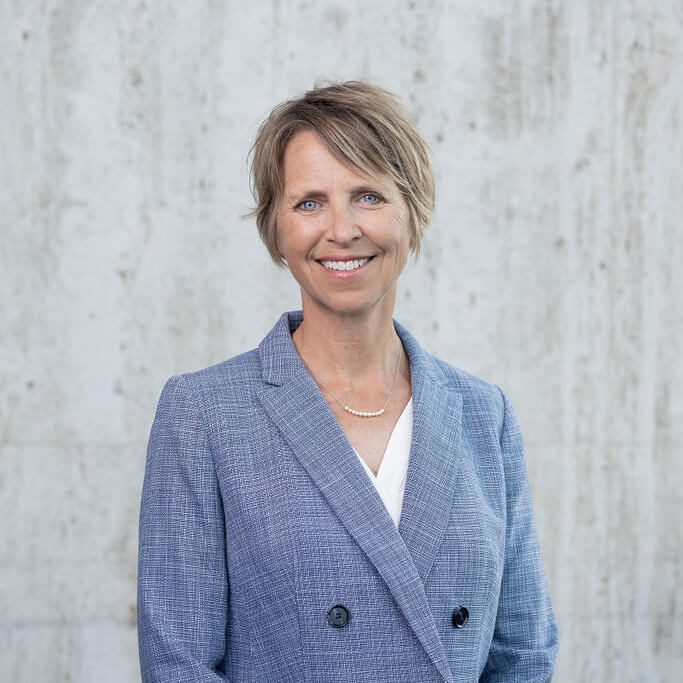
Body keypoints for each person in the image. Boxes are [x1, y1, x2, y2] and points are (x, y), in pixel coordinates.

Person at [137, 81, 558, 682]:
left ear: (411, 215)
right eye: (310, 203)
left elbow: (524, 650)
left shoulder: (482, 414)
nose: (341, 229)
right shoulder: (204, 414)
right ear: (276, 231)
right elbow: (178, 665)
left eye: (368, 196)